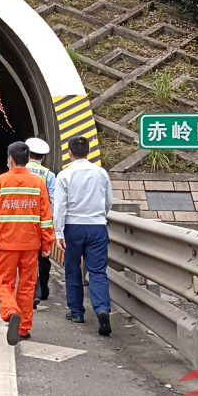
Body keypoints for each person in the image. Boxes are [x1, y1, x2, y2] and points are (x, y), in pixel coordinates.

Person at [0, 141, 55, 346]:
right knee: (27, 286)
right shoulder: (38, 183)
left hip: (7, 243)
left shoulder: (0, 182)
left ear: (11, 159)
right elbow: (46, 217)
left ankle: (10, 311)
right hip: (31, 244)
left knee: (3, 283)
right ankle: (23, 328)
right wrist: (47, 243)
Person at [54, 136, 114, 335]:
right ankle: (102, 309)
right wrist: (99, 216)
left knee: (73, 269)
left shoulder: (64, 175)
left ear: (69, 153)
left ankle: (77, 312)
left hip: (73, 228)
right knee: (97, 271)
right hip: (97, 227)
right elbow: (108, 202)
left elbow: (60, 207)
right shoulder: (101, 173)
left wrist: (59, 232)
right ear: (88, 151)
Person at [25, 137, 57, 309]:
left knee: (27, 259)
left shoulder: (18, 171)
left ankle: (31, 290)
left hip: (21, 223)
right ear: (43, 157)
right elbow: (55, 200)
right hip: (42, 222)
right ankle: (42, 289)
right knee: (43, 257)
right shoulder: (48, 175)